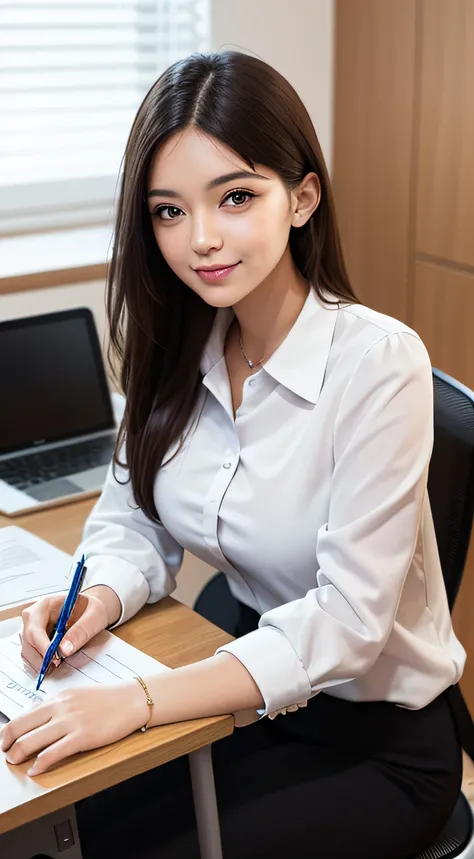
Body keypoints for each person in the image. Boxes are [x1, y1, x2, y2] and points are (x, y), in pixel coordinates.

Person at [1, 50, 467, 859]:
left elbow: (349, 623)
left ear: (302, 198)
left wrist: (142, 700)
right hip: (244, 686)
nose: (201, 239)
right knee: (60, 818)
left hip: (378, 743)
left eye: (236, 196)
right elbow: (133, 519)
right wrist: (97, 600)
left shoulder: (377, 362)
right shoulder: (179, 347)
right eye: (169, 211)